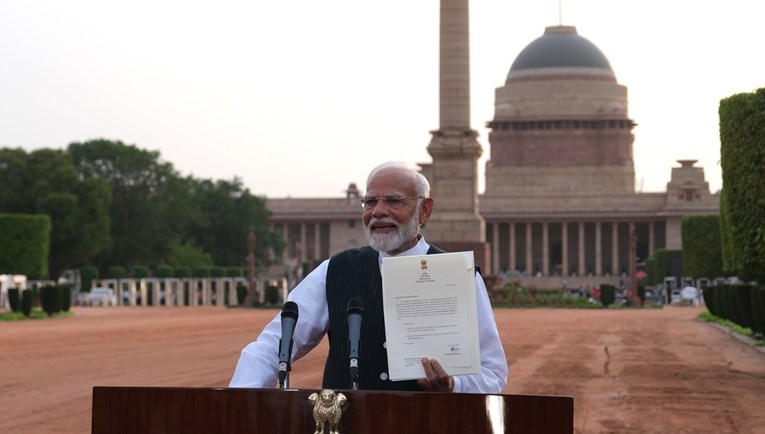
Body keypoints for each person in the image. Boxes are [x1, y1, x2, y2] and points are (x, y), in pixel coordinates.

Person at [229, 161, 507, 393]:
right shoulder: (336, 270)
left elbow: (492, 374)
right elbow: (274, 344)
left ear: (425, 210)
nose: (378, 211)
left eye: (394, 201)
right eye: (370, 201)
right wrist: (238, 400)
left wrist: (454, 385)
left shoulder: (459, 276)